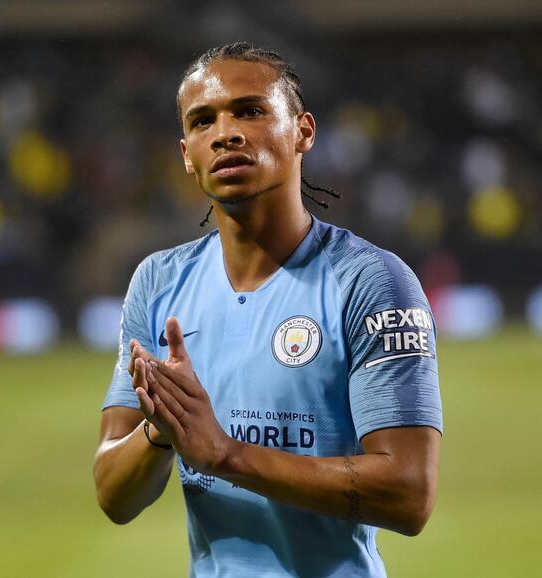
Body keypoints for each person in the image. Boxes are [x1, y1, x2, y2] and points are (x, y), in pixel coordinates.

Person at [93, 42, 442, 578]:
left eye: (250, 111)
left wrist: (225, 455)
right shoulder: (159, 283)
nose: (225, 132)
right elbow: (114, 495)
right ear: (187, 153)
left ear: (304, 131)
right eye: (203, 120)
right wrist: (161, 431)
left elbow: (410, 493)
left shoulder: (370, 281)